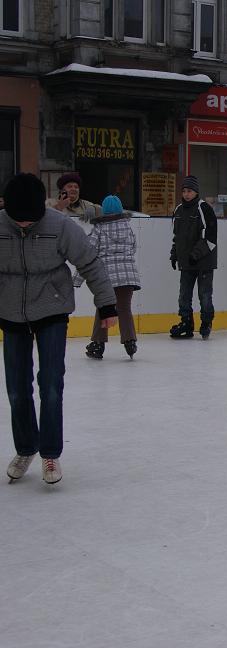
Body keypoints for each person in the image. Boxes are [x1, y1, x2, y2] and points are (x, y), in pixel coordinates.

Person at [2, 173, 117, 485]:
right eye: (18, 220)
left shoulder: (60, 225)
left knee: (51, 384)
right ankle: (26, 447)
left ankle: (50, 454)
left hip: (52, 310)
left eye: (30, 220)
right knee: (16, 388)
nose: (24, 226)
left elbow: (90, 262)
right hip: (11, 313)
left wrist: (106, 304)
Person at [78, 195, 141, 360]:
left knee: (104, 308)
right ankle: (130, 341)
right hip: (128, 277)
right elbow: (133, 248)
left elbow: (88, 254)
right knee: (124, 308)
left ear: (104, 211)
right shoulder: (128, 227)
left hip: (106, 278)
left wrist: (77, 279)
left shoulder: (99, 228)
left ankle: (98, 344)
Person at [169, 175, 217, 340]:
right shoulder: (179, 210)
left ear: (196, 192)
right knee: (184, 295)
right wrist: (175, 254)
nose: (186, 194)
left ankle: (206, 322)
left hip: (204, 261)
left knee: (204, 295)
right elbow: (177, 237)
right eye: (184, 191)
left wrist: (195, 255)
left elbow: (210, 238)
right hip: (186, 262)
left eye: (189, 191)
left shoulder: (204, 209)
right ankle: (186, 323)